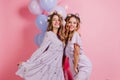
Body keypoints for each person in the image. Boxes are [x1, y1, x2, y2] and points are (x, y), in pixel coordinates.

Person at [16, 11, 65, 80]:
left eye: (58, 20)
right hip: (48, 65)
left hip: (57, 68)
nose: (56, 21)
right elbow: (41, 50)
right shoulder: (49, 34)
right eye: (54, 20)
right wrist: (28, 62)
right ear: (51, 22)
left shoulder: (60, 37)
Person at [64, 13, 92, 80]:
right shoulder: (67, 37)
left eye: (74, 23)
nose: (72, 24)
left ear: (77, 25)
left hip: (83, 65)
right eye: (70, 22)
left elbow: (76, 52)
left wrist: (75, 66)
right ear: (67, 23)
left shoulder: (75, 35)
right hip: (74, 64)